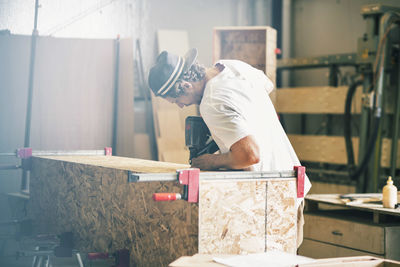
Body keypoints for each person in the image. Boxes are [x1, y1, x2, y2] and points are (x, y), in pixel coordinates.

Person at [148, 48, 311, 247]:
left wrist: (210, 161)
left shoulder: (211, 103)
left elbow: (250, 155)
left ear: (186, 86)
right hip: (290, 186)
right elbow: (266, 86)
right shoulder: (231, 66)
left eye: (176, 101)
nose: (180, 106)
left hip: (270, 200)